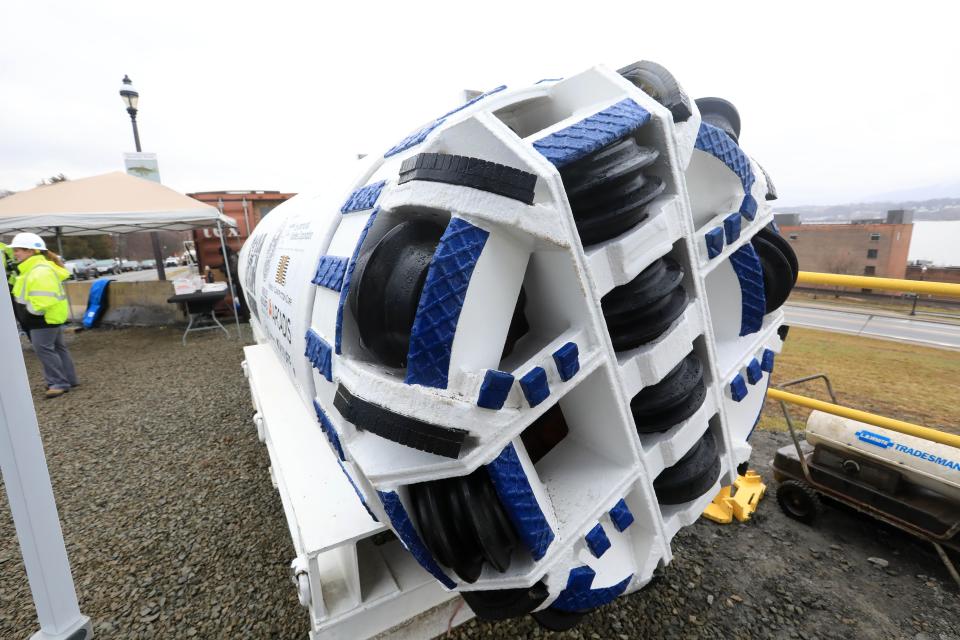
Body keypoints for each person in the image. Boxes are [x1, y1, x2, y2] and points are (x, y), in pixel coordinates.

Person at [9, 232, 78, 399]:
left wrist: (30, 314)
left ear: (31, 251)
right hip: (49, 318)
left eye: (18, 250)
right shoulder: (36, 268)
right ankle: (69, 379)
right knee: (58, 348)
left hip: (42, 319)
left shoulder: (38, 271)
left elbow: (43, 300)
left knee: (44, 350)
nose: (15, 253)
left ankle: (58, 383)